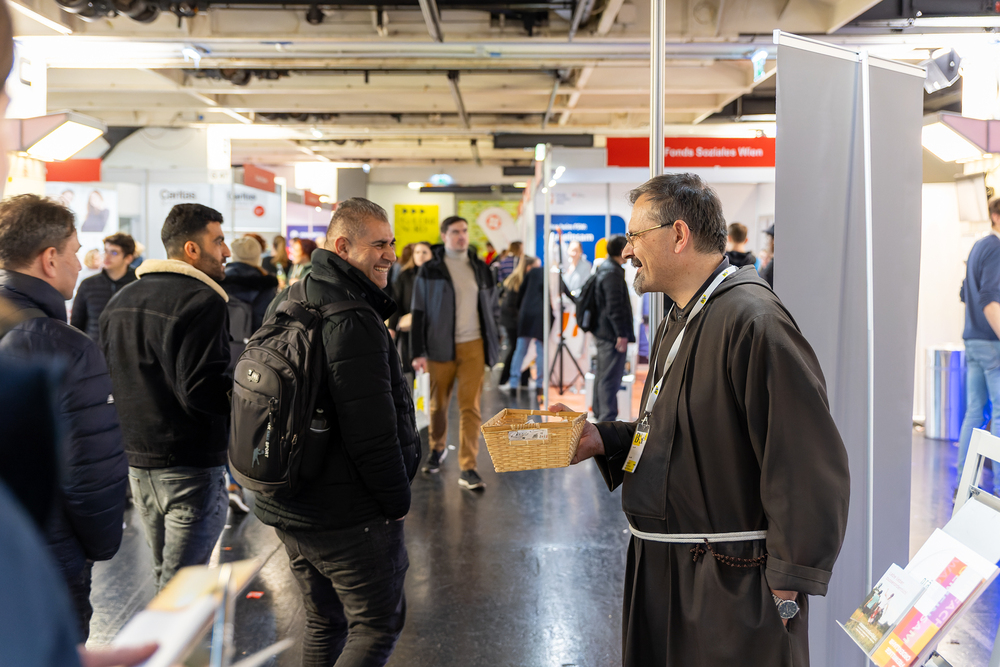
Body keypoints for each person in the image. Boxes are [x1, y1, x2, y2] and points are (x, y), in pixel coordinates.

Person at [551, 173, 850, 667]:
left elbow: (806, 464)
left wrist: (785, 590)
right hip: (668, 571)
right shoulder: (682, 314)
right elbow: (680, 431)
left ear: (678, 235)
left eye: (635, 236)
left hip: (730, 586)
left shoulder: (754, 321)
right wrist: (602, 439)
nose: (628, 250)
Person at [254, 197, 420, 667]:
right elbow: (373, 434)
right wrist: (397, 503)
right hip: (347, 513)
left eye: (392, 244)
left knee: (324, 622)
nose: (390, 255)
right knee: (376, 627)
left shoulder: (292, 295)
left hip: (290, 499)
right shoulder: (353, 317)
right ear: (343, 247)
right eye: (379, 245)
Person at [0, 194, 129, 641]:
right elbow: (90, 470)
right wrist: (99, 545)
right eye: (75, 251)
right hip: (47, 552)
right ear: (50, 259)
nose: (80, 263)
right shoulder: (64, 345)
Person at [100, 203, 232, 593]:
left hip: (138, 463)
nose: (226, 251)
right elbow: (201, 389)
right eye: (219, 241)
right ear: (192, 249)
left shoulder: (119, 300)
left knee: (166, 579)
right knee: (180, 592)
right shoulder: (204, 300)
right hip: (190, 465)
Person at [411, 216, 500, 489]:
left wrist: (494, 338)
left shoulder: (480, 268)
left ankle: (468, 466)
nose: (461, 236)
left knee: (470, 407)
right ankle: (437, 448)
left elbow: (492, 306)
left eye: (464, 231)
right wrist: (418, 351)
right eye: (455, 232)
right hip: (439, 347)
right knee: (438, 405)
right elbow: (418, 311)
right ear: (444, 236)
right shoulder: (430, 270)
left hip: (474, 345)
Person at [956, 196, 1000, 497]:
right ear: (996, 216)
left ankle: (964, 485)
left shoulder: (978, 247)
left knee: (975, 412)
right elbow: (989, 300)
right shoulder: (996, 248)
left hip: (972, 340)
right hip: (991, 344)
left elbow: (964, 292)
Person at [591, 235, 634, 421]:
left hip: (605, 333)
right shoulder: (612, 273)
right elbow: (615, 307)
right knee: (610, 378)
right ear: (621, 250)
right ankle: (607, 421)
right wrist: (621, 334)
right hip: (611, 336)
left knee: (603, 376)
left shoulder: (606, 269)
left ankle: (600, 416)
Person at [70, 232, 137, 343]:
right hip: (94, 349)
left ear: (128, 258)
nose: (107, 256)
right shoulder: (88, 285)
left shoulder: (138, 285)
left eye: (114, 252)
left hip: (128, 350)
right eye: (105, 251)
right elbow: (76, 325)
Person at [223, 235, 278, 340]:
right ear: (257, 256)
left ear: (233, 254)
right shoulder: (266, 283)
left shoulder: (220, 279)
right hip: (254, 342)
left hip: (223, 341)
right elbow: (265, 319)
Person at [389, 241, 431, 373]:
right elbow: (396, 301)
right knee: (411, 367)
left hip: (432, 329)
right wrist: (392, 326)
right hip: (409, 328)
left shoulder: (437, 277)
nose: (420, 255)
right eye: (417, 252)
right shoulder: (405, 275)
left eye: (424, 252)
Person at [506, 256, 545, 391]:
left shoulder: (526, 277)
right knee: (540, 350)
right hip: (539, 316)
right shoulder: (544, 275)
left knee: (521, 349)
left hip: (525, 315)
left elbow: (519, 298)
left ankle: (513, 382)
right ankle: (540, 383)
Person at [497, 254, 533, 387]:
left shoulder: (516, 279)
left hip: (511, 320)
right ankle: (505, 379)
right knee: (517, 349)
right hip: (513, 321)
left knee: (520, 349)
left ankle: (523, 380)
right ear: (528, 267)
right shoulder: (519, 281)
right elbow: (512, 306)